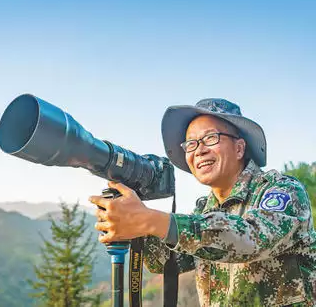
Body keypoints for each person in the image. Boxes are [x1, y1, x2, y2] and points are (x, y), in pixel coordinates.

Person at [89, 98, 316, 306]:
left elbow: (252, 238)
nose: (199, 150)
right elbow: (165, 262)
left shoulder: (282, 190)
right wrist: (135, 226)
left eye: (210, 138)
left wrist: (151, 220)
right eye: (191, 144)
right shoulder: (205, 209)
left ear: (239, 148)